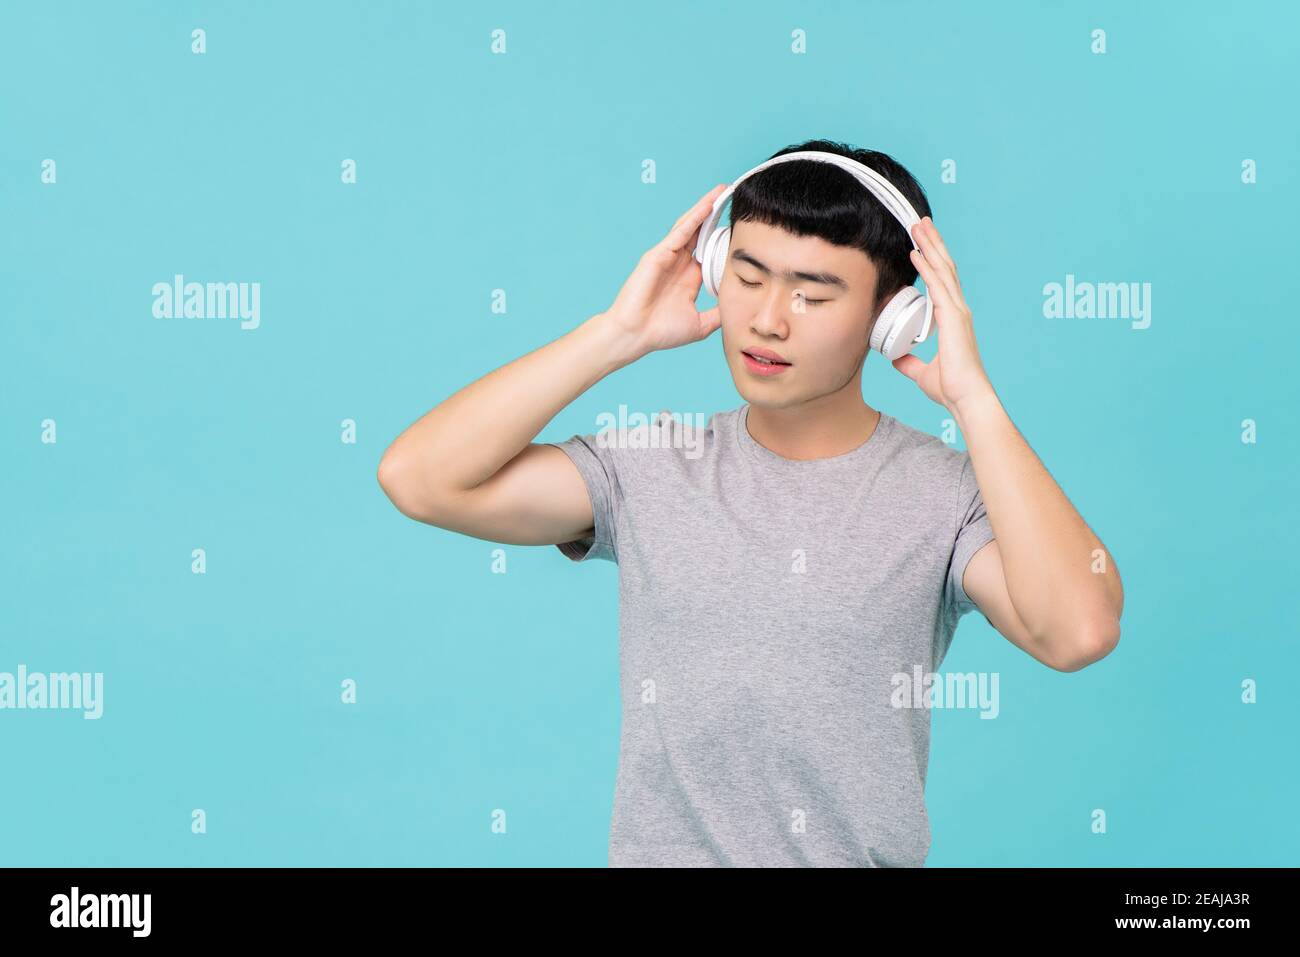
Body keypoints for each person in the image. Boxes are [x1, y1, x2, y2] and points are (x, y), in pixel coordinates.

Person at [377, 138, 1125, 867]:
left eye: (813, 292)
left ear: (894, 316)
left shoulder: (948, 493)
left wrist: (975, 401)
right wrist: (615, 334)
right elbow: (420, 477)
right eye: (747, 274)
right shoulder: (648, 466)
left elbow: (1078, 630)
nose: (769, 319)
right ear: (713, 267)